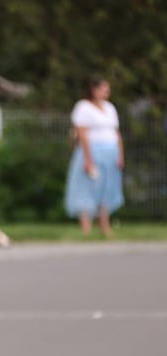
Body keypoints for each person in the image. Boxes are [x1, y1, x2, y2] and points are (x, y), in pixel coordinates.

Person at [64, 76, 125, 237]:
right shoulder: (83, 107)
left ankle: (105, 227)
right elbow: (82, 135)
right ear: (94, 90)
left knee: (106, 188)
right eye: (104, 88)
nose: (107, 91)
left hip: (110, 152)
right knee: (86, 188)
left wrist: (120, 154)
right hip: (91, 152)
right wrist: (87, 158)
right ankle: (86, 229)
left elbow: (116, 133)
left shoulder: (110, 108)